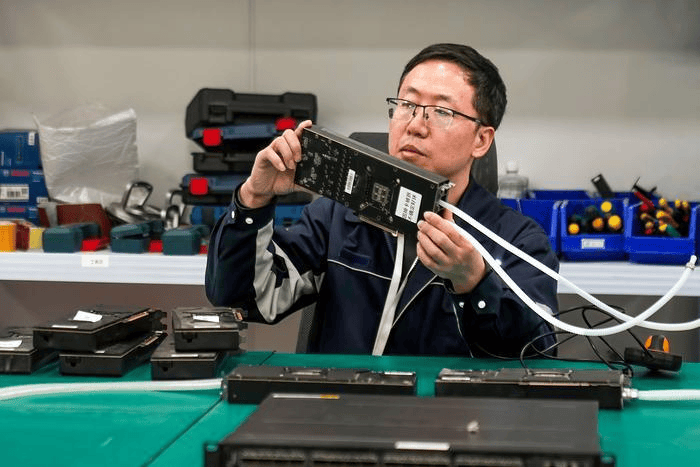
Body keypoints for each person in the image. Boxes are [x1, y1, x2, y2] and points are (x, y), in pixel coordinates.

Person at [205, 43, 559, 357]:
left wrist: (474, 282)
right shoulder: (338, 216)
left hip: (445, 409)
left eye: (441, 112)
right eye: (406, 104)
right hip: (339, 402)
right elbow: (244, 298)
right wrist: (253, 199)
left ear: (481, 140)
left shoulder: (516, 241)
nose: (415, 125)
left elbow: (535, 354)